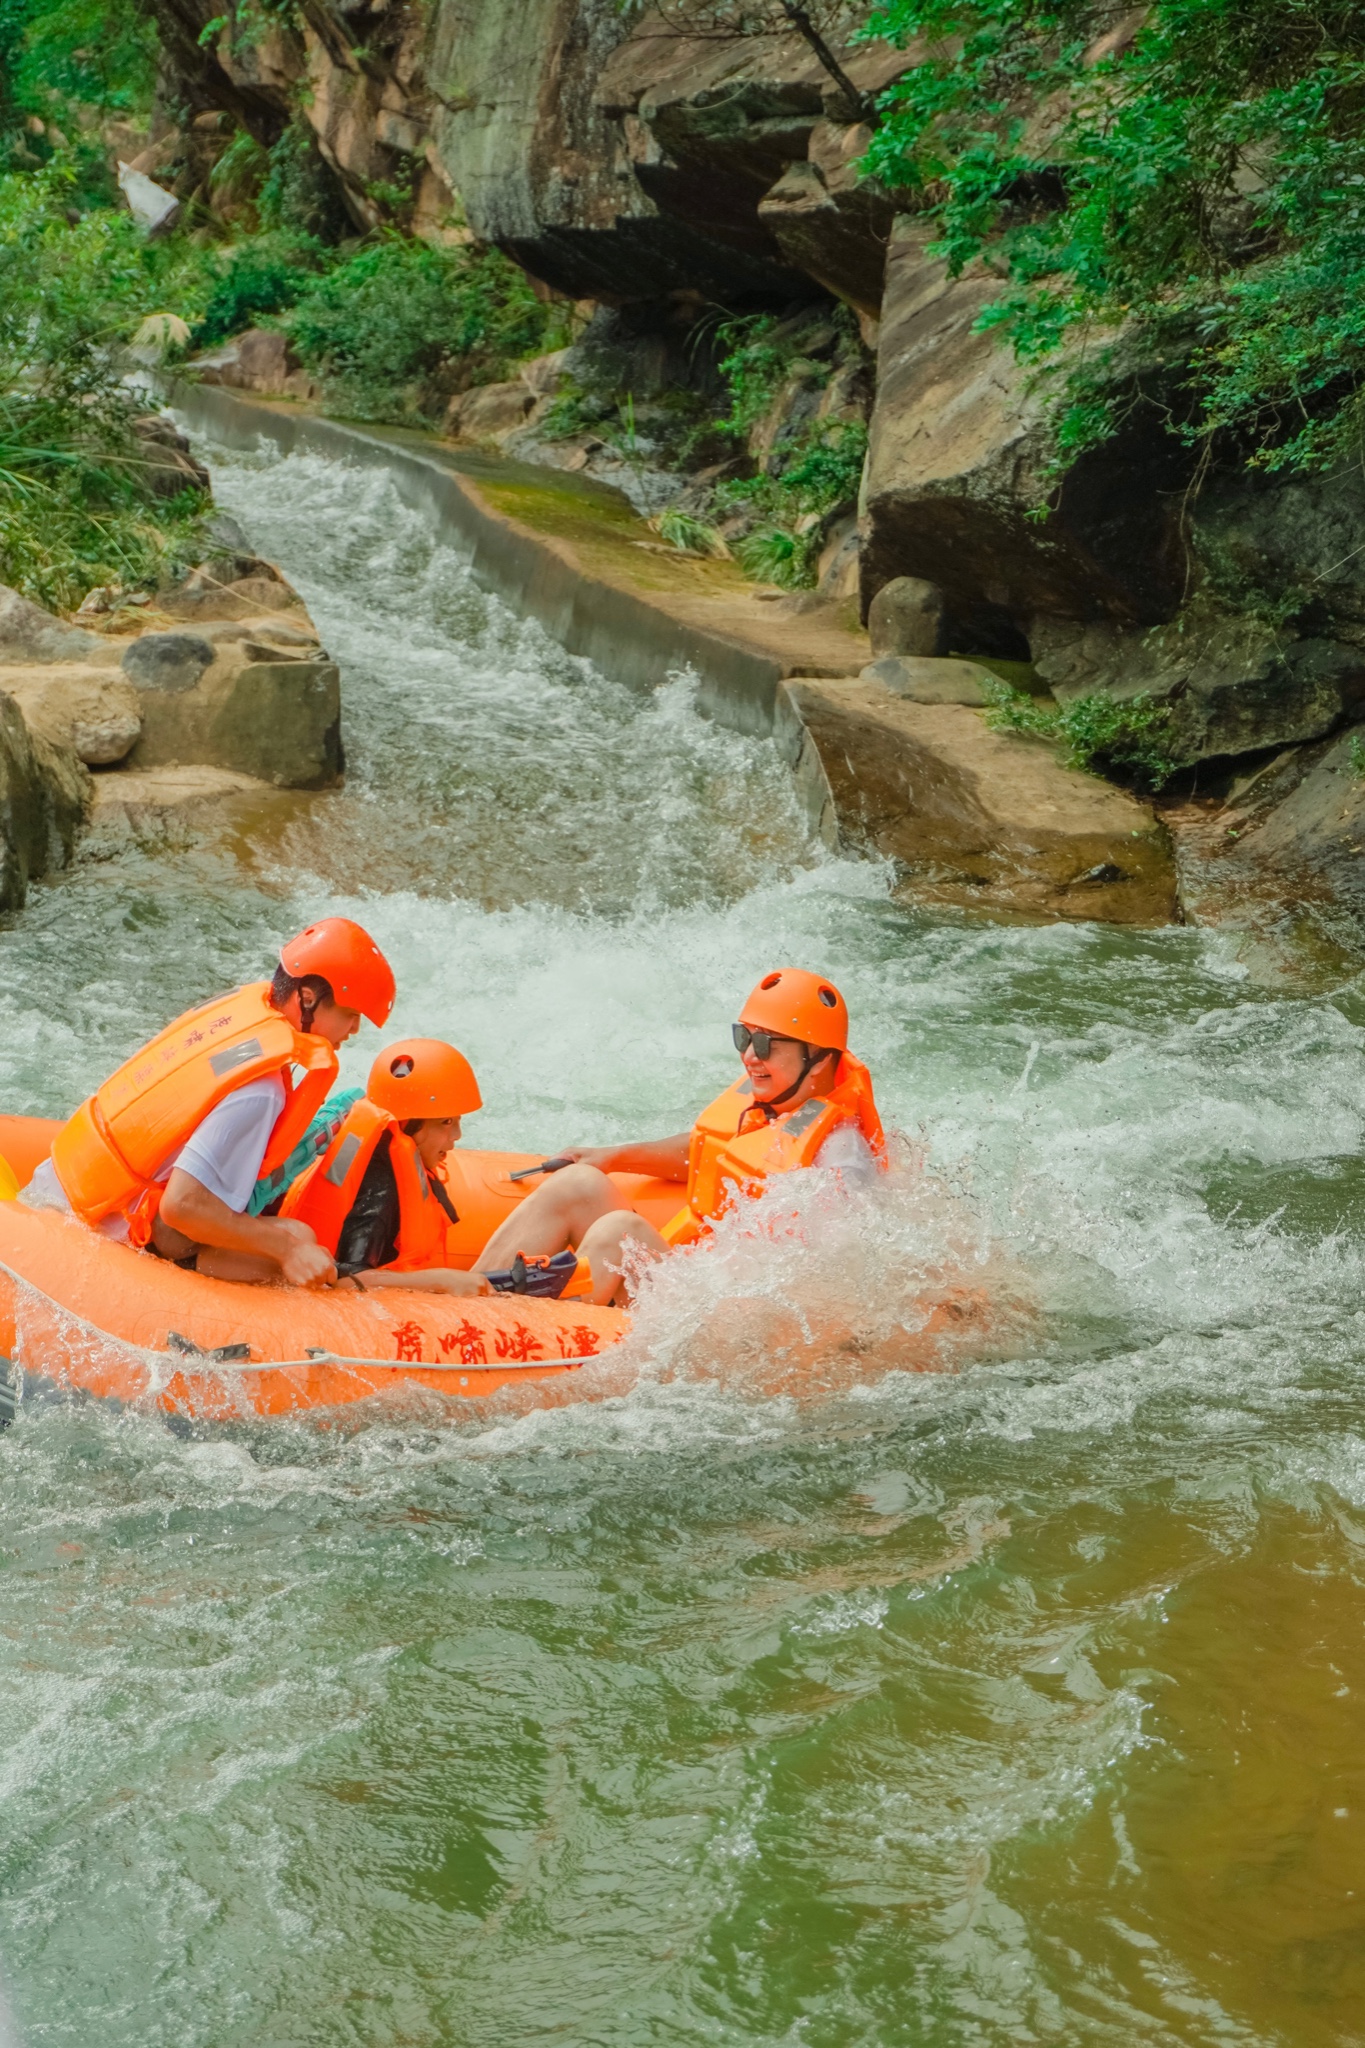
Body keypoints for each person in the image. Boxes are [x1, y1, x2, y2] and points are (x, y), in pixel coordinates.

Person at [21, 918, 395, 1288]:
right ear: (307, 999)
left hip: (55, 1191)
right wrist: (286, 1250)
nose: (355, 1030)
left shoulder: (238, 1020)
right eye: (350, 1015)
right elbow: (182, 1207)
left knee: (291, 1232)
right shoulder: (260, 1089)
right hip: (95, 1234)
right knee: (299, 1241)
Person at [474, 969, 885, 1305]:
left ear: (819, 1061)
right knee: (579, 1183)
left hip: (716, 1307)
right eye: (743, 1037)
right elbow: (706, 1153)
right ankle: (463, 1303)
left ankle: (536, 1341)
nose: (749, 1057)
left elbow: (839, 1269)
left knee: (622, 1231)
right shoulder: (776, 1103)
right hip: (694, 1271)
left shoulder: (841, 1157)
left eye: (765, 1043)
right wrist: (614, 1157)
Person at [280, 1039, 491, 1298]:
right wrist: (439, 1281)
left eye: (457, 1121)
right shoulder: (381, 1189)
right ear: (409, 1124)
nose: (457, 1135)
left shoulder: (386, 1150)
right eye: (446, 1122)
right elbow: (345, 1279)